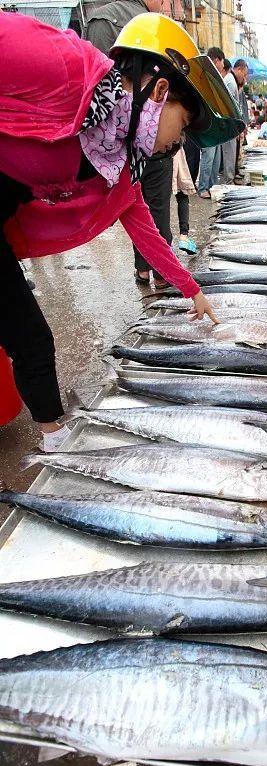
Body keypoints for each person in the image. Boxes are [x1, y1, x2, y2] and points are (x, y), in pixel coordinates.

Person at [0, 13, 243, 450]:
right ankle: (56, 440)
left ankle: (54, 440)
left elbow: (148, 234)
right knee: (28, 334)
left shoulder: (117, 164)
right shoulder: (63, 66)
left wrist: (192, 289)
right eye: (184, 125)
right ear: (161, 92)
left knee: (28, 335)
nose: (178, 141)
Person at [84, 0, 178, 288]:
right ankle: (162, 274)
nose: (164, 5)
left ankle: (146, 270)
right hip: (139, 141)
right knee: (155, 208)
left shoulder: (101, 20)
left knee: (138, 207)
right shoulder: (158, 30)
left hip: (121, 145)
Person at [197, 46, 226, 199]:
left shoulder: (212, 76)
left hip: (215, 122)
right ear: (216, 60)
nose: (222, 66)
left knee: (215, 157)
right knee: (208, 155)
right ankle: (203, 187)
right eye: (222, 62)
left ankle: (213, 187)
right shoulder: (205, 76)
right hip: (207, 122)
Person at [221, 59, 248, 184]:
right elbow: (232, 108)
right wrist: (237, 128)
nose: (245, 77)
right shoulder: (231, 83)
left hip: (230, 125)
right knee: (229, 154)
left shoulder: (232, 81)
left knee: (230, 154)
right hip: (229, 125)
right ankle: (228, 182)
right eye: (245, 74)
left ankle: (229, 180)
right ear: (239, 69)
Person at [173, 136, 198, 254]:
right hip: (176, 150)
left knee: (160, 200)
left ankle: (163, 240)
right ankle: (183, 236)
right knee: (182, 193)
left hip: (156, 151)